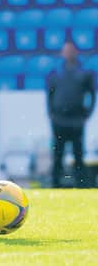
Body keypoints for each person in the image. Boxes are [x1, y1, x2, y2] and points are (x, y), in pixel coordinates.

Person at [46, 41, 96, 188]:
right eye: (65, 50)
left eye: (70, 50)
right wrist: (51, 114)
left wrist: (87, 113)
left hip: (77, 120)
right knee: (57, 155)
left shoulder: (85, 73)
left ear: (76, 52)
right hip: (59, 120)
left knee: (78, 154)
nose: (68, 53)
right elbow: (50, 95)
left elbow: (92, 95)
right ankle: (55, 184)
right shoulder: (55, 73)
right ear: (62, 53)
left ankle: (81, 185)